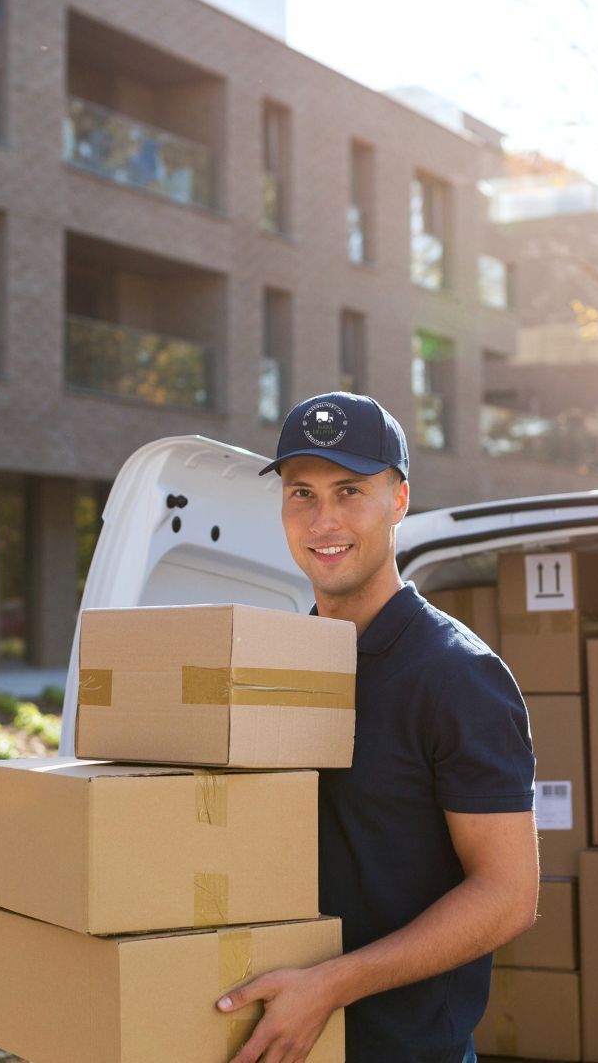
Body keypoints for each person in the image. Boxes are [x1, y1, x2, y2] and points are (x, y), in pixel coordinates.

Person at [217, 391, 541, 1063]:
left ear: (398, 501)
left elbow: (508, 896)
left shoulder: (458, 677)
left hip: (405, 1050)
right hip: (276, 1038)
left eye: (349, 491)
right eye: (301, 493)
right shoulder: (279, 666)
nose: (323, 519)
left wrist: (331, 987)